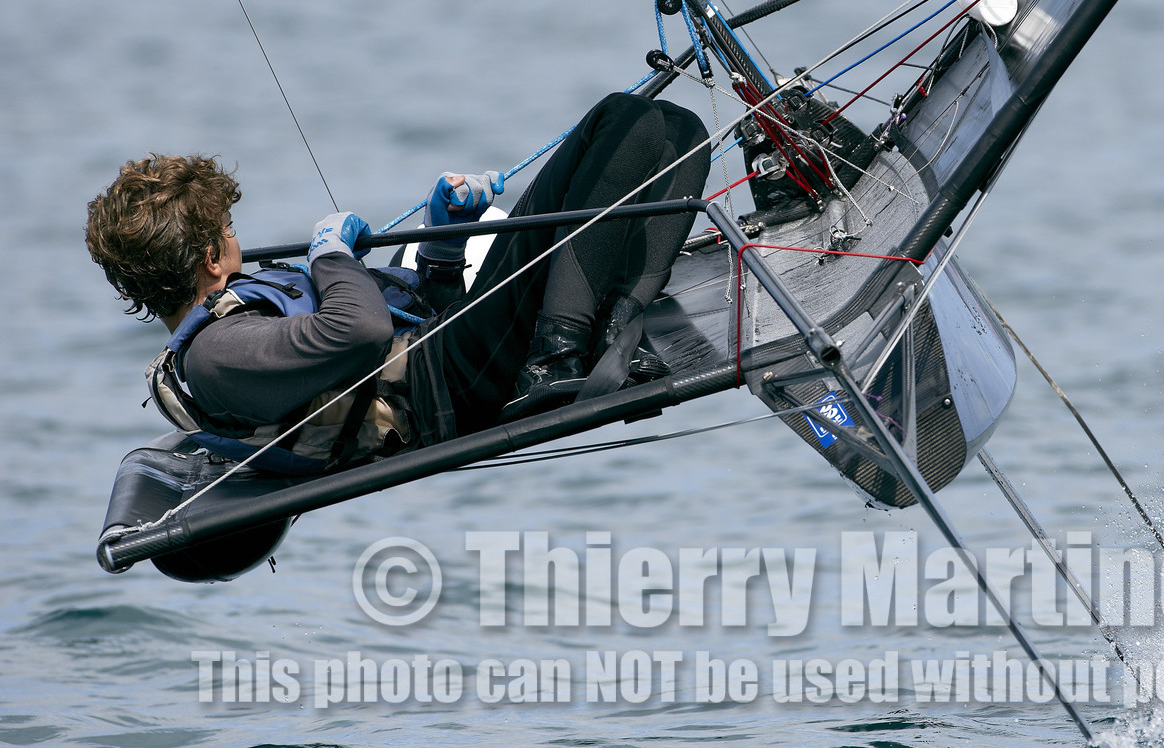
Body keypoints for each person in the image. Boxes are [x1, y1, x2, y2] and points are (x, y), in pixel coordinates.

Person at [85, 93, 711, 472]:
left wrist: (444, 243)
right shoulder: (218, 355)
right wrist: (332, 257)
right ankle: (555, 362)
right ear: (208, 260)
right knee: (621, 123)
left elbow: (390, 345)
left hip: (455, 351)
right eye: (226, 228)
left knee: (677, 132)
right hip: (458, 384)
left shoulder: (235, 322)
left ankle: (606, 331)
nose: (235, 239)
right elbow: (361, 331)